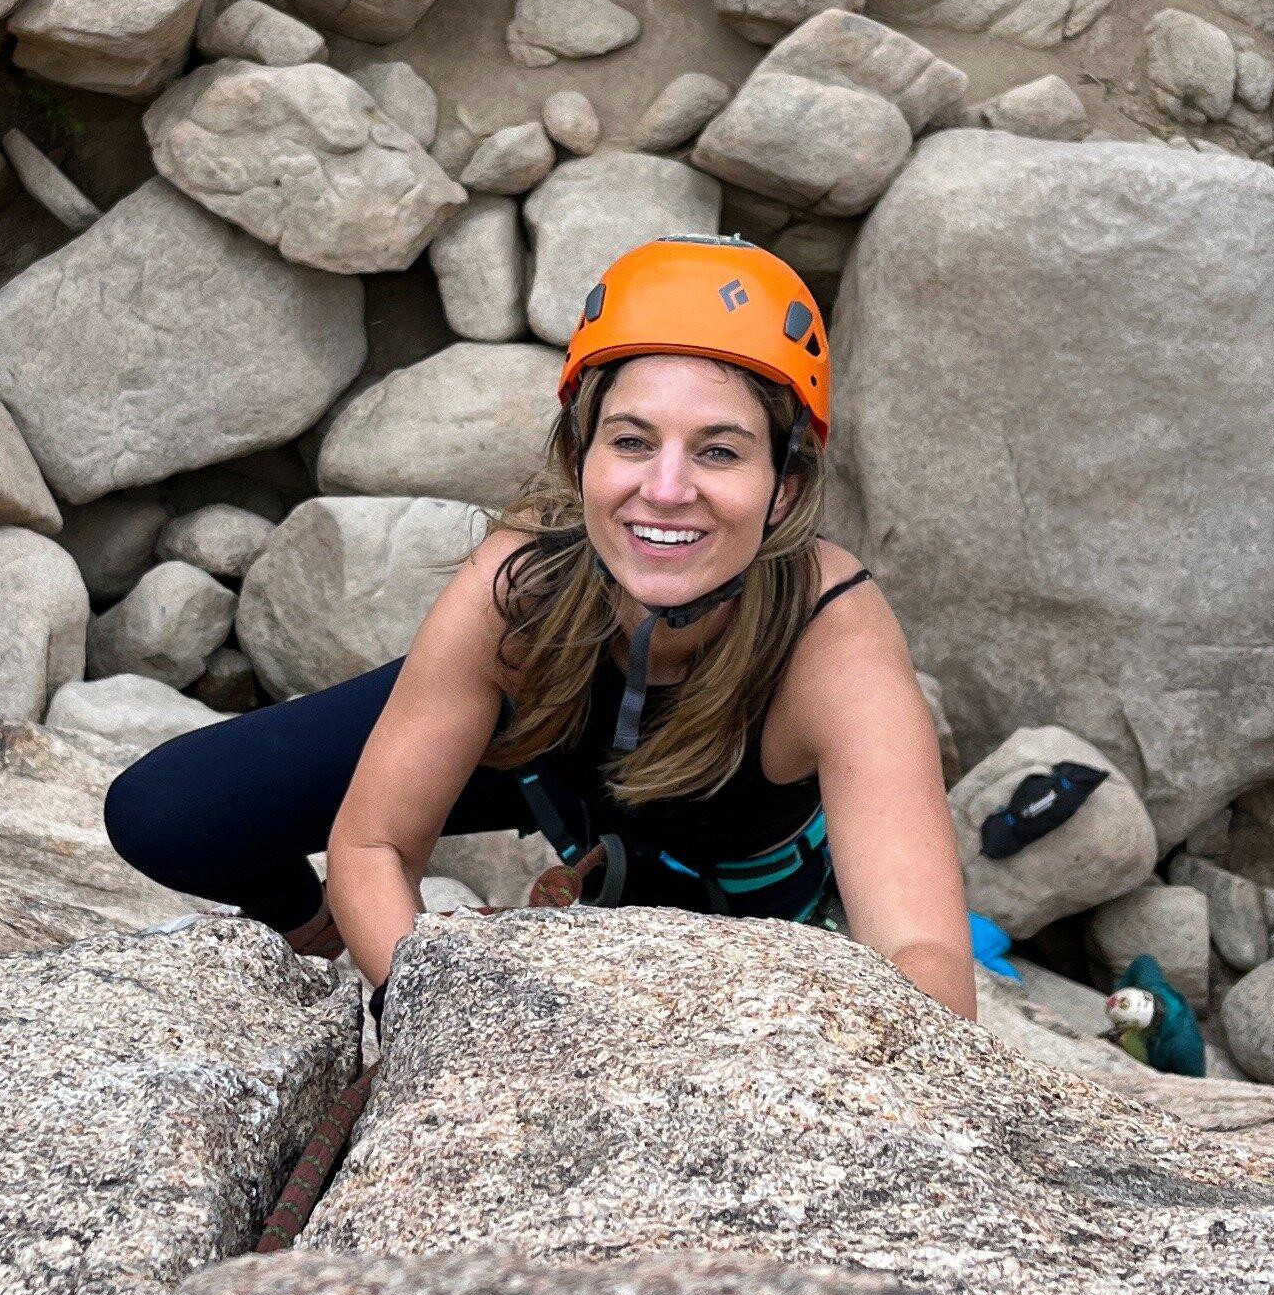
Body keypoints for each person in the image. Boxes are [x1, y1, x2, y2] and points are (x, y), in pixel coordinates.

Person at [104, 233, 975, 1020]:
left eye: (719, 450)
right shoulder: (526, 585)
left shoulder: (831, 641)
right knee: (172, 811)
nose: (666, 489)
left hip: (736, 911)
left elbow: (925, 955)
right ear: (581, 454)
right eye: (632, 441)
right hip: (566, 760)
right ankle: (313, 933)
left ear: (784, 487)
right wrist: (424, 999)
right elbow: (371, 843)